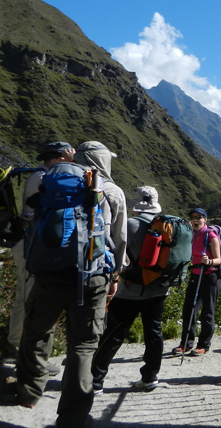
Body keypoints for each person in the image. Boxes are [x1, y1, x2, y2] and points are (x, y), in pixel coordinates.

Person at [15, 141, 126, 427]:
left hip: (49, 271)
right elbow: (120, 240)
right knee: (84, 344)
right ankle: (73, 417)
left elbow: (31, 217)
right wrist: (114, 276)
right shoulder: (110, 190)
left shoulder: (46, 179)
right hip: (92, 275)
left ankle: (29, 391)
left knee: (37, 329)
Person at [5, 142, 74, 373]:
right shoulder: (44, 178)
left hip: (28, 242)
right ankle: (21, 353)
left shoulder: (41, 176)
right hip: (30, 243)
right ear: (60, 156)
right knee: (29, 297)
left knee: (25, 296)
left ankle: (16, 347)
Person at [92, 186, 166, 393]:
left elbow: (118, 254)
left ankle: (95, 380)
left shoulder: (130, 225)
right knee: (154, 332)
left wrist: (114, 277)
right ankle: (150, 376)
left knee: (113, 333)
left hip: (131, 290)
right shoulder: (167, 225)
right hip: (159, 289)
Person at [172, 208, 221, 356]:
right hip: (195, 275)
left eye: (199, 217)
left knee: (207, 312)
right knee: (189, 309)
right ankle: (186, 343)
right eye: (193, 217)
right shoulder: (190, 235)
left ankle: (203, 345)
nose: (195, 220)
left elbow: (219, 260)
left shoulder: (211, 236)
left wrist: (210, 260)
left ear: (205, 220)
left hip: (210, 276)